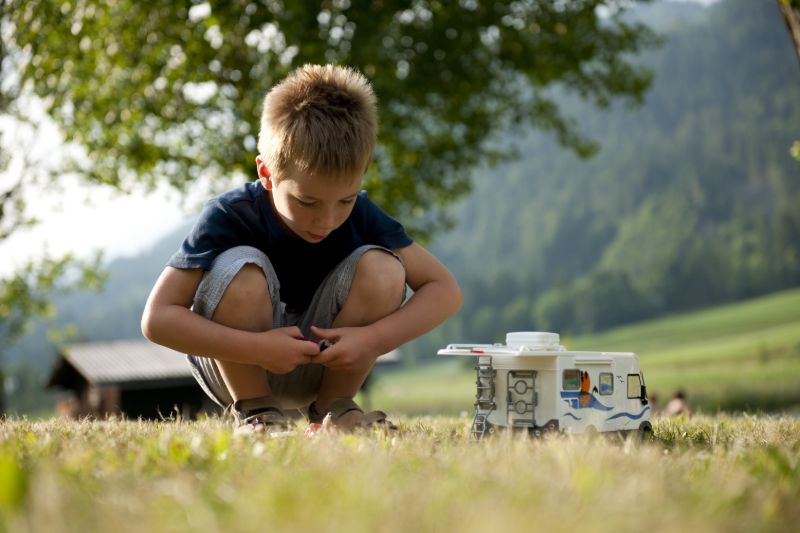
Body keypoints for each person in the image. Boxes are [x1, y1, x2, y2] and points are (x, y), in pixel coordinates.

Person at [141, 64, 462, 433]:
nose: (326, 220)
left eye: (345, 200)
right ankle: (257, 411)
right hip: (237, 364)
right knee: (240, 269)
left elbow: (445, 291)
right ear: (266, 173)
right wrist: (257, 348)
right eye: (307, 203)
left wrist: (372, 340)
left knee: (385, 267)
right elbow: (157, 319)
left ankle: (336, 409)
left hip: (326, 367)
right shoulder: (228, 215)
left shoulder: (363, 215)